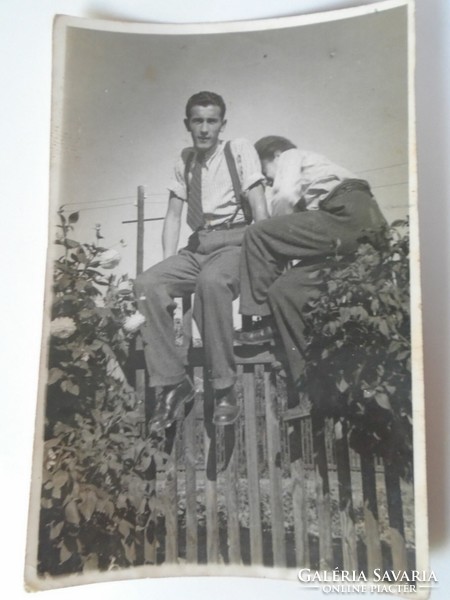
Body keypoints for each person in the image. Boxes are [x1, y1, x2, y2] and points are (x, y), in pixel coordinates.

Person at [135, 92, 267, 430]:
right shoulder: (185, 161)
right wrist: (168, 269)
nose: (205, 129)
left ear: (222, 124)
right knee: (148, 284)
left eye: (212, 121)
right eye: (198, 121)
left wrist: (265, 255)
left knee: (212, 282)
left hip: (236, 239)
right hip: (198, 245)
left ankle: (224, 388)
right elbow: (173, 216)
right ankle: (173, 381)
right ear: (187, 124)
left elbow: (258, 202)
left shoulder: (238, 149)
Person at [236, 135, 387, 388]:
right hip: (356, 236)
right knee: (284, 291)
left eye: (267, 175)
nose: (270, 182)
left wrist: (278, 236)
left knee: (257, 232)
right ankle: (309, 383)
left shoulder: (289, 156)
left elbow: (284, 196)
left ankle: (262, 319)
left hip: (349, 215)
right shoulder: (315, 187)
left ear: (274, 157)